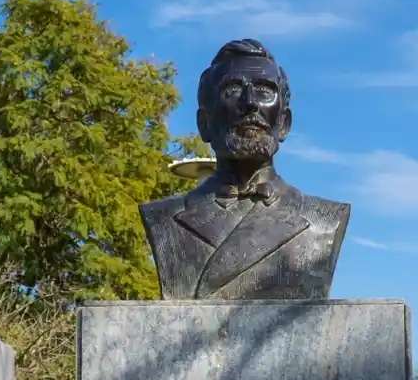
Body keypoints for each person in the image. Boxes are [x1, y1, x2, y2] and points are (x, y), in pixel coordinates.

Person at [139, 39, 349, 300]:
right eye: (232, 90)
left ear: (284, 123)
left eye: (264, 91)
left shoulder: (324, 220)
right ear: (204, 123)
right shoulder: (164, 218)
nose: (250, 103)